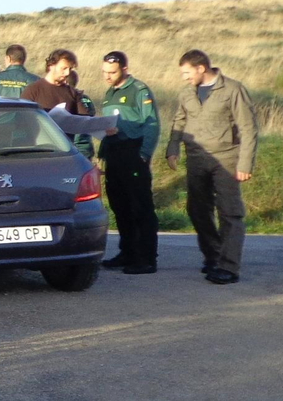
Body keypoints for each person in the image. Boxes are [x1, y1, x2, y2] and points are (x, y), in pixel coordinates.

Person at [166, 50, 258, 284]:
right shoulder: (187, 92)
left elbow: (248, 128)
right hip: (196, 157)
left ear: (201, 68)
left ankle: (229, 266)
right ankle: (213, 255)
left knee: (230, 212)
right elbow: (179, 120)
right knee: (197, 209)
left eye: (187, 73)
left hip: (226, 158)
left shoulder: (233, 89)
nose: (185, 78)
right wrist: (173, 147)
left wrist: (245, 163)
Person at [98, 51, 161, 274]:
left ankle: (146, 258)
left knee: (140, 207)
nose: (107, 76)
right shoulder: (109, 93)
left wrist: (144, 153)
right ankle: (128, 252)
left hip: (133, 153)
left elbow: (151, 124)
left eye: (112, 72)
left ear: (124, 69)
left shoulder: (138, 90)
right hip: (114, 154)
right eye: (104, 72)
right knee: (120, 206)